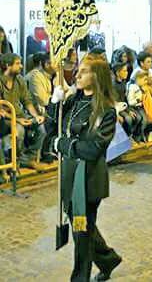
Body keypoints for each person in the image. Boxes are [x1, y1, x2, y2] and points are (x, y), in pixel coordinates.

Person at [47, 54, 122, 282]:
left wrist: (64, 144)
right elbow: (51, 126)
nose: (77, 74)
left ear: (97, 77)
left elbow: (94, 149)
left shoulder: (107, 111)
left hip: (88, 180)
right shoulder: (72, 101)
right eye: (78, 70)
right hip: (69, 175)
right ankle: (108, 259)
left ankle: (79, 278)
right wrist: (53, 102)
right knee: (84, 229)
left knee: (81, 234)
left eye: (84, 71)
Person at [0, 53, 47, 168]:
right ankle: (19, 160)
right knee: (19, 130)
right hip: (5, 119)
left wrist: (36, 116)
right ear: (7, 65)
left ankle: (27, 159)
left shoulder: (19, 80)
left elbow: (27, 101)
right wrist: (18, 120)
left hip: (19, 115)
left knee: (41, 129)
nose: (21, 66)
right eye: (17, 63)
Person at [112, 62, 144, 142]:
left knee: (139, 117)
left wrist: (129, 110)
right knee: (128, 119)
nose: (127, 73)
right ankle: (127, 136)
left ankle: (132, 135)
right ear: (117, 73)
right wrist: (127, 111)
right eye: (124, 71)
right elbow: (117, 103)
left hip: (125, 106)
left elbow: (124, 99)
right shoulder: (113, 85)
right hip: (118, 108)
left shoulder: (123, 82)